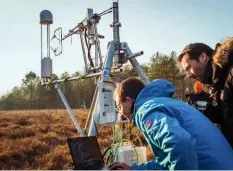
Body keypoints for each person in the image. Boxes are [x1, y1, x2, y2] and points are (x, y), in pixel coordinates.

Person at [109, 78, 233, 170]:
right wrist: (134, 169)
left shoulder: (145, 110)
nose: (120, 113)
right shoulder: (165, 103)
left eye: (119, 106)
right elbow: (168, 161)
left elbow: (180, 143)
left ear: (129, 101)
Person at [177, 39, 233, 148]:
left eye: (189, 68)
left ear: (203, 57)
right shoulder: (218, 85)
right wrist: (208, 111)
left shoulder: (231, 74)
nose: (189, 75)